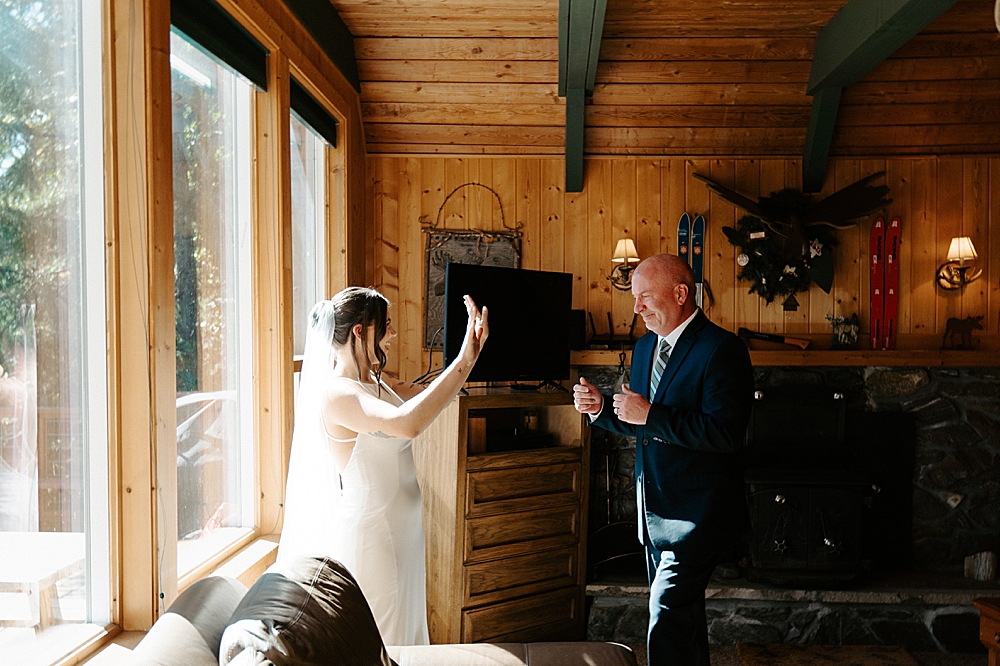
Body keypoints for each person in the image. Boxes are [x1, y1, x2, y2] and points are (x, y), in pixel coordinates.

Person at [279, 286, 488, 646]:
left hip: (404, 532)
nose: (392, 333)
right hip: (373, 538)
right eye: (386, 325)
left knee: (406, 636)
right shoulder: (338, 393)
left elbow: (428, 397)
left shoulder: (375, 383)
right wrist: (463, 360)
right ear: (361, 331)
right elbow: (407, 424)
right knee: (385, 641)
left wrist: (470, 355)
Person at [573, 254, 753, 665]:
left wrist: (650, 414)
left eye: (645, 297)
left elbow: (726, 434)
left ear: (680, 293)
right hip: (652, 514)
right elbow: (644, 425)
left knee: (666, 617)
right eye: (635, 299)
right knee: (682, 621)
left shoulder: (722, 349)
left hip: (697, 515)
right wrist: (601, 409)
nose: (637, 308)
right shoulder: (644, 348)